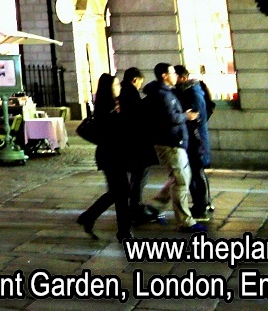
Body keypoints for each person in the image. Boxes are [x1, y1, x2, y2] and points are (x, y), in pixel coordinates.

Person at [142, 62, 202, 233]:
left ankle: (153, 207)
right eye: (172, 73)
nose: (175, 75)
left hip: (171, 141)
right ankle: (185, 221)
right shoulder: (164, 95)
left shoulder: (164, 93)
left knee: (179, 177)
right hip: (171, 142)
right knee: (181, 181)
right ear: (164, 76)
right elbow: (170, 117)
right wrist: (187, 116)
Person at [74, 74, 132, 241]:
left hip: (114, 153)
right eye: (116, 85)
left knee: (118, 192)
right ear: (109, 88)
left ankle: (89, 217)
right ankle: (122, 232)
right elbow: (111, 132)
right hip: (111, 154)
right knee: (121, 192)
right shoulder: (107, 108)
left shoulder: (115, 105)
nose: (119, 87)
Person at [174, 64, 216, 221]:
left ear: (183, 78)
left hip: (195, 138)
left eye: (175, 76)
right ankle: (203, 203)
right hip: (195, 138)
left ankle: (201, 206)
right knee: (196, 171)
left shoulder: (191, 93)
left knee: (195, 172)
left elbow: (196, 116)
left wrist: (186, 122)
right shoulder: (191, 91)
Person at [117, 68, 158, 227]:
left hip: (130, 143)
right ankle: (135, 207)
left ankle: (134, 206)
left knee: (136, 176)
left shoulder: (123, 93)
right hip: (136, 144)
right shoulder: (130, 93)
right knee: (140, 176)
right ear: (135, 79)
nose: (141, 85)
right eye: (140, 81)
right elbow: (137, 118)